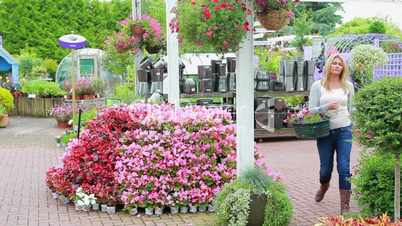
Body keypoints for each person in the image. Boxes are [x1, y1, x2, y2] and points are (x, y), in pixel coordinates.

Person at [308, 53, 355, 214]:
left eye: (340, 64)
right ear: (329, 65)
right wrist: (326, 107)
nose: (337, 66)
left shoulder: (348, 86)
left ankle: (345, 206)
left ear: (343, 68)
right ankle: (324, 185)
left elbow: (352, 109)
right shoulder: (317, 85)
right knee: (325, 169)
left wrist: (356, 126)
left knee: (344, 167)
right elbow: (310, 110)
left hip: (345, 130)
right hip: (325, 132)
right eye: (334, 63)